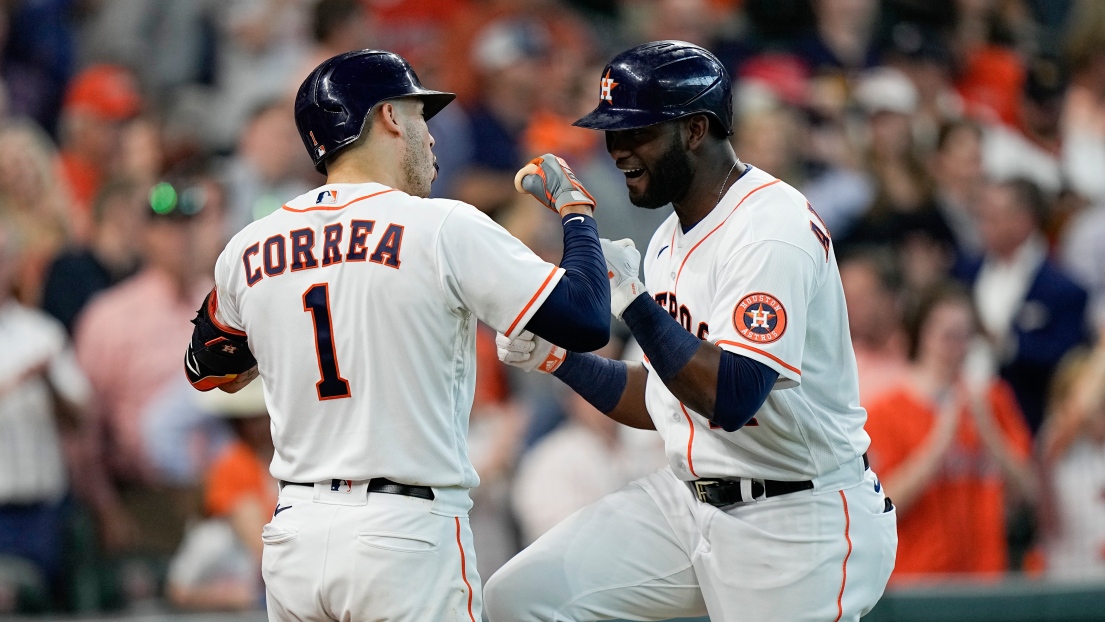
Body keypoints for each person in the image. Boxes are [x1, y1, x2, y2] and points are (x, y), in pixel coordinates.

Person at [182, 50, 610, 621]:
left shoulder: (249, 246)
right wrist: (577, 213)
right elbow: (585, 318)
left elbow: (207, 369)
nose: (432, 139)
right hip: (404, 534)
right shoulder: (441, 226)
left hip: (295, 537)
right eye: (419, 117)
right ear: (387, 117)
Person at [487, 40, 897, 622]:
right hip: (691, 501)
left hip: (798, 516)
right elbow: (662, 399)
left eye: (638, 132)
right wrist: (560, 360)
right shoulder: (666, 239)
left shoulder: (769, 229)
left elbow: (729, 396)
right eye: (613, 133)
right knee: (521, 598)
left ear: (697, 129)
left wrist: (633, 302)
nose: (620, 150)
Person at [864, 285, 1036, 580]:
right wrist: (939, 443)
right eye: (947, 336)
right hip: (917, 578)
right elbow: (882, 505)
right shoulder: (884, 410)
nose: (956, 348)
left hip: (985, 576)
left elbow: (1028, 492)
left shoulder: (993, 399)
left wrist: (990, 432)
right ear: (922, 335)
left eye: (965, 337)